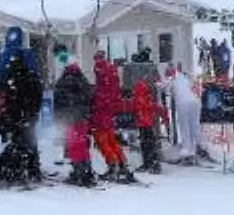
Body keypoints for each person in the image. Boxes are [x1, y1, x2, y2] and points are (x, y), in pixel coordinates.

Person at [0, 41, 44, 186]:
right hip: (26, 115)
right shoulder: (31, 76)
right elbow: (37, 97)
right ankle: (32, 170)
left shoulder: (8, 76)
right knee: (29, 142)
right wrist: (32, 113)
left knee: (17, 143)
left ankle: (17, 171)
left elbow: (2, 97)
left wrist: (4, 116)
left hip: (14, 115)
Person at [91, 51, 136, 182]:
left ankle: (113, 165)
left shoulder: (101, 70)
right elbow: (114, 92)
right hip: (110, 111)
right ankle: (122, 163)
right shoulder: (112, 71)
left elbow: (101, 93)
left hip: (101, 112)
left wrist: (94, 101)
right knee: (111, 139)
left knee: (102, 140)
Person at [53, 60, 97, 187]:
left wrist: (58, 117)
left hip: (69, 118)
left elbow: (58, 101)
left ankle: (79, 172)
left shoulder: (63, 82)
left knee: (73, 145)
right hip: (82, 118)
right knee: (82, 144)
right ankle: (86, 171)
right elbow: (89, 98)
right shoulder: (82, 81)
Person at [131, 79, 168, 173]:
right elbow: (159, 109)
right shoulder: (148, 99)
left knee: (145, 145)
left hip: (143, 125)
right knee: (150, 144)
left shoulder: (137, 100)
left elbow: (133, 109)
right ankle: (154, 163)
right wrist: (164, 118)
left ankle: (147, 163)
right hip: (149, 124)